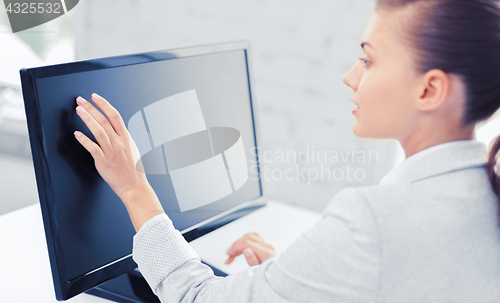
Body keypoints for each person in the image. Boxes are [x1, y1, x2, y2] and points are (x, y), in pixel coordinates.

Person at [72, 0, 500, 301]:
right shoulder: (484, 192)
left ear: (430, 89)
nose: (350, 77)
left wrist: (133, 186)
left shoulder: (374, 219)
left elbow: (198, 299)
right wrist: (304, 282)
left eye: (368, 60)